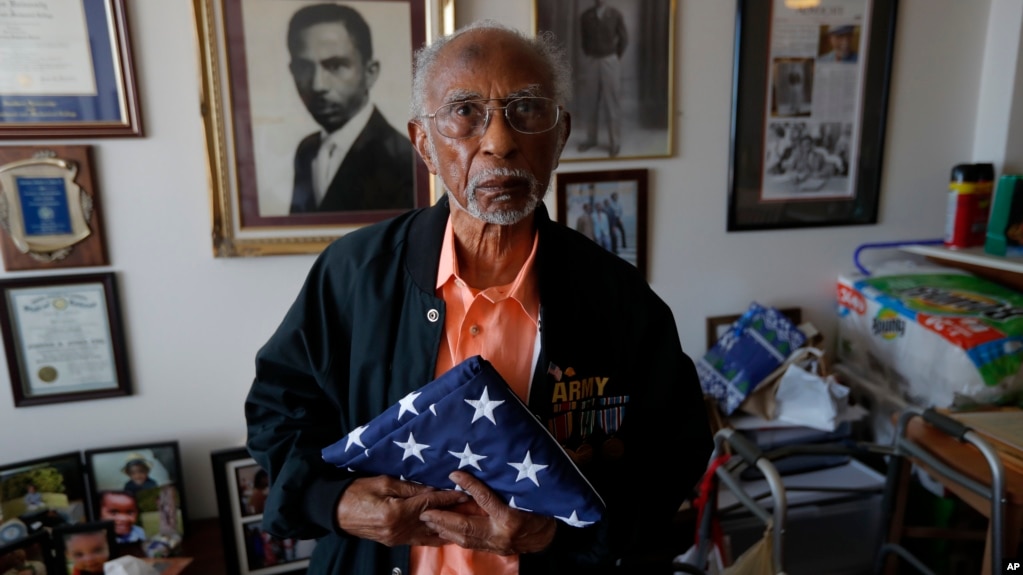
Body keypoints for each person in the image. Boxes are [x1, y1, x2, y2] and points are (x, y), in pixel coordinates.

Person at [246, 20, 711, 574]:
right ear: (424, 142)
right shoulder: (353, 274)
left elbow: (675, 452)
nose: (499, 141)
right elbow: (278, 413)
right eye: (465, 112)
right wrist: (336, 503)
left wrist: (554, 532)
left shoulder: (615, 296)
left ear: (560, 136)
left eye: (528, 110)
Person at [287, 3, 415, 214]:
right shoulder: (307, 151)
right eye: (304, 68)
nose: (318, 85)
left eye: (335, 65)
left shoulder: (401, 159)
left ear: (370, 72)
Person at [576, 0, 628, 157]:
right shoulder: (585, 16)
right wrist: (591, 55)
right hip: (592, 60)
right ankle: (591, 139)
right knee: (590, 101)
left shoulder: (615, 15)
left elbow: (624, 39)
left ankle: (615, 142)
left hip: (609, 60)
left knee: (612, 102)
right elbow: (584, 41)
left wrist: (613, 56)